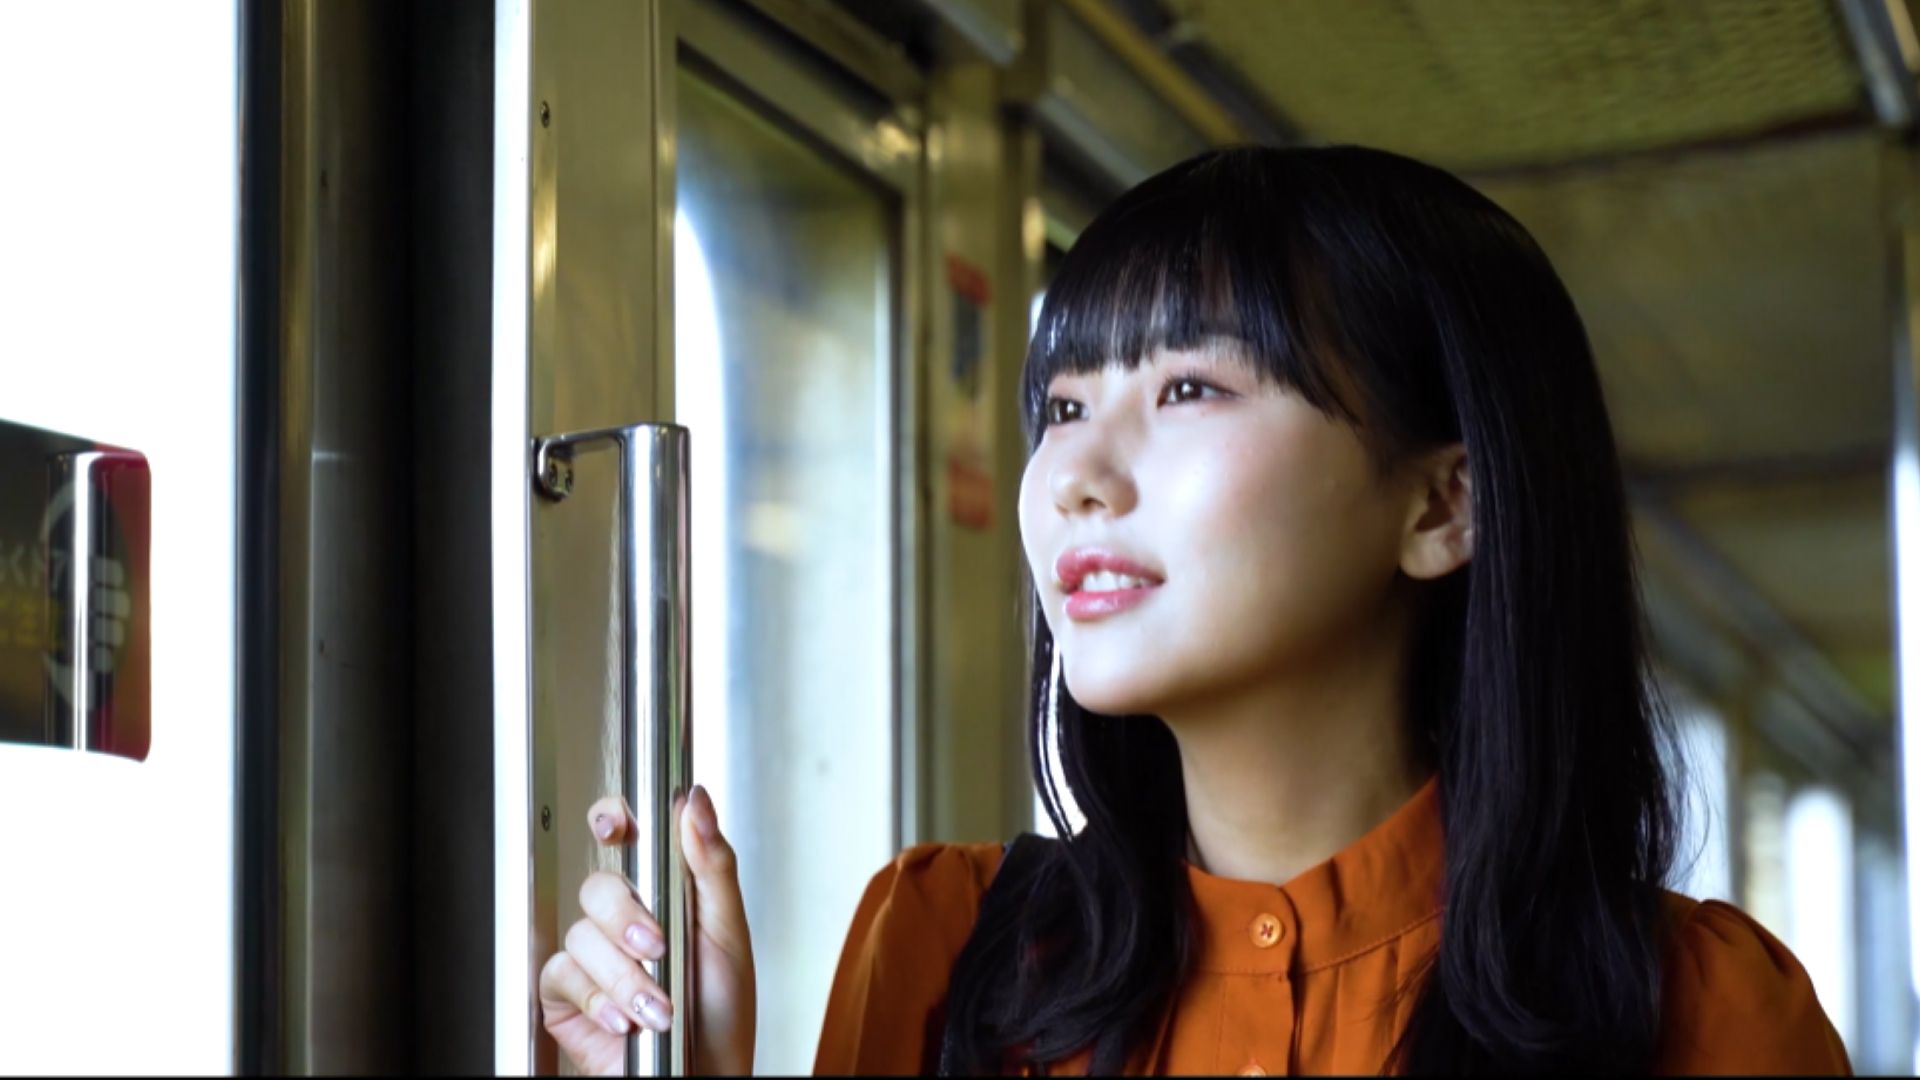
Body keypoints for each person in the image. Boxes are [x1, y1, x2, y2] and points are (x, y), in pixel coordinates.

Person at [536, 145, 1851, 1075]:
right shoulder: (946, 951)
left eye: (1187, 391)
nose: (1077, 477)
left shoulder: (1713, 1019)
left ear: (1444, 506)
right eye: (1063, 406)